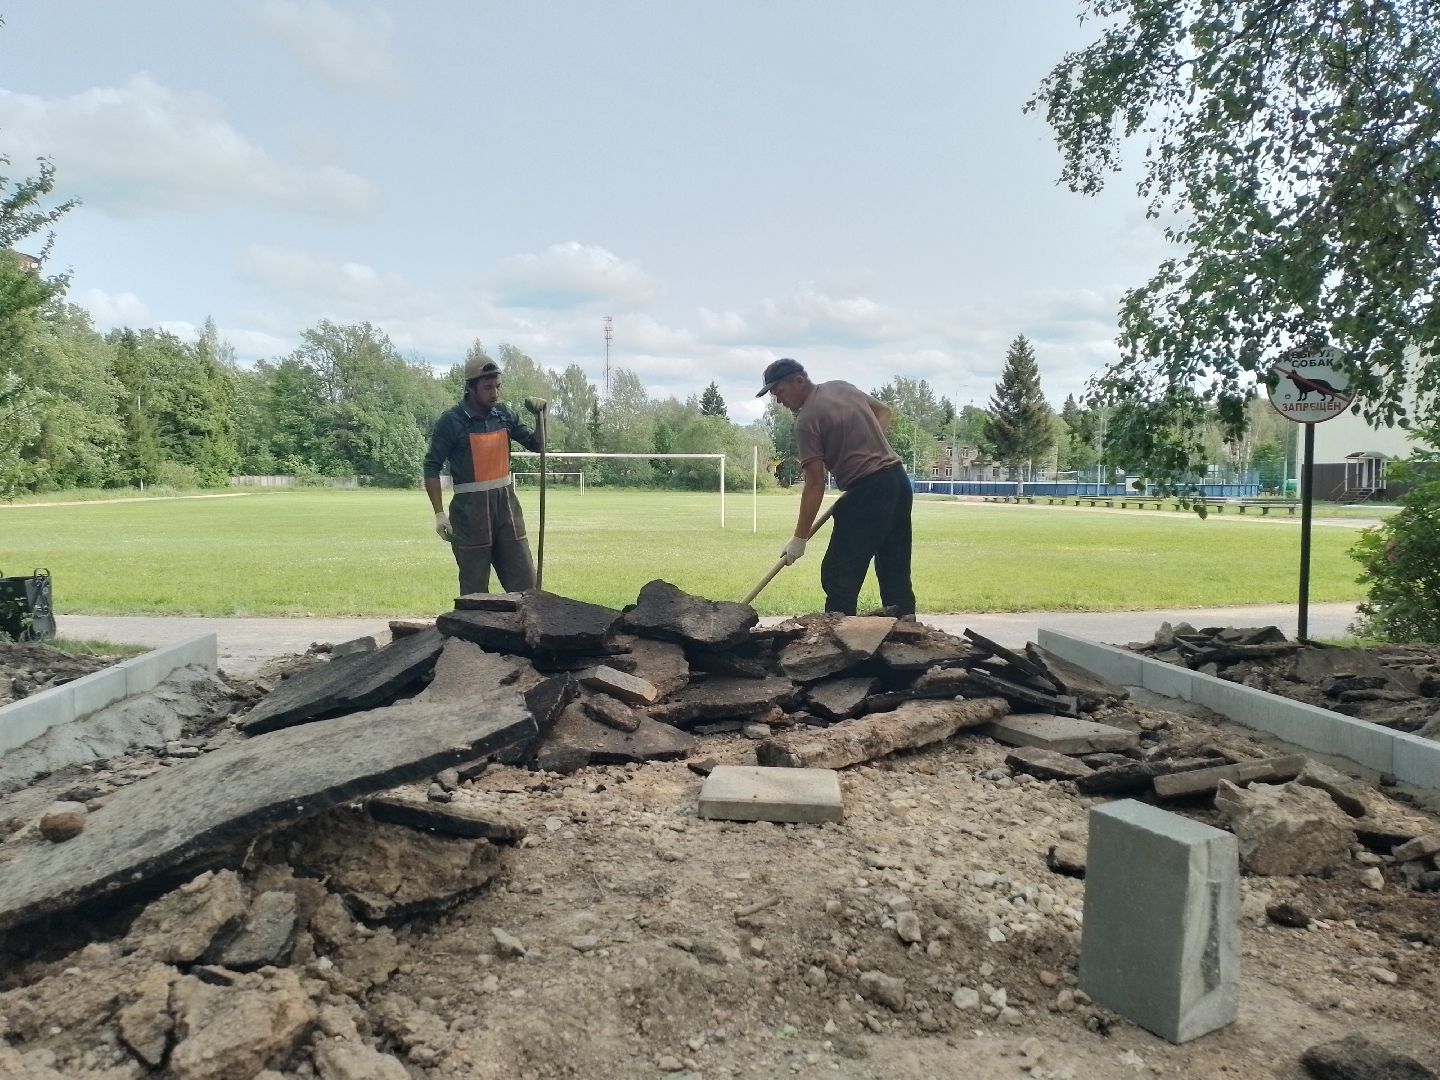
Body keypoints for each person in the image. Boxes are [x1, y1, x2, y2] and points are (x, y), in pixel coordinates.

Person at [757, 357, 916, 617]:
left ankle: (838, 639)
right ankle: (907, 631)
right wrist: (866, 445)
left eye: (780, 392)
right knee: (894, 567)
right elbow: (883, 411)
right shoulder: (842, 387)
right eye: (773, 395)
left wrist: (799, 539)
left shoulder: (806, 421)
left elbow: (815, 484)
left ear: (799, 381)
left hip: (867, 491)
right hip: (897, 482)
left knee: (839, 573)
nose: (778, 401)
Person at [423, 357, 543, 595]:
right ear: (470, 388)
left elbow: (537, 445)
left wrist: (541, 417)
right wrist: (439, 514)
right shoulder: (452, 421)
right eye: (488, 388)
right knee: (474, 592)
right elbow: (431, 467)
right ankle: (471, 632)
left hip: (507, 510)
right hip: (469, 515)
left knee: (526, 587)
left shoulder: (504, 415)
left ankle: (527, 630)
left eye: (497, 386)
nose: (495, 393)